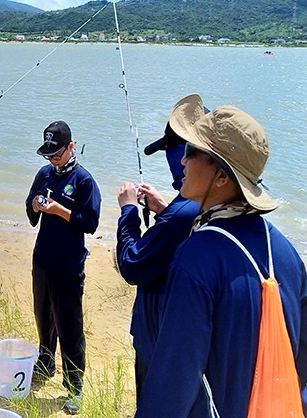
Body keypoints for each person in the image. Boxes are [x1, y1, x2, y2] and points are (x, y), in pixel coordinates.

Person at [135, 105, 307, 417]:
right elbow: (300, 357)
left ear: (221, 176)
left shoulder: (196, 257)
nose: (182, 161)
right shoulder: (285, 251)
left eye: (191, 151)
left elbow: (174, 382)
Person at [115, 94, 204, 396]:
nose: (177, 162)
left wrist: (128, 211)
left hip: (159, 343)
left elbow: (132, 264)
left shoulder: (184, 211)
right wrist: (164, 211)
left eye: (178, 152)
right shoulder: (194, 206)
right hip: (177, 341)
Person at [25, 120, 101, 415]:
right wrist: (34, 206)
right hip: (42, 259)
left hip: (68, 265)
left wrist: (59, 210)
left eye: (57, 154)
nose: (53, 160)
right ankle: (46, 362)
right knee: (43, 316)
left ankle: (75, 386)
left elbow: (90, 223)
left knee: (69, 326)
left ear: (71, 147)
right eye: (49, 155)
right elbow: (31, 208)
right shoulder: (44, 174)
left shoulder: (84, 180)